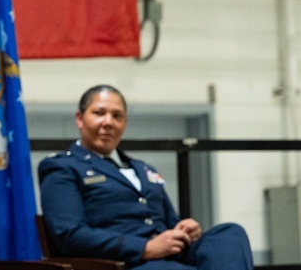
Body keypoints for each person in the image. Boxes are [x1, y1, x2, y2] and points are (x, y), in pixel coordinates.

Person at [38, 85, 253, 270]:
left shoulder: (143, 169)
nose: (108, 122)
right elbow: (70, 235)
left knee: (230, 234)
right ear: (80, 118)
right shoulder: (62, 166)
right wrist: (146, 248)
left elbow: (168, 224)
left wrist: (185, 231)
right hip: (125, 262)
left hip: (169, 255)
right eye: (99, 113)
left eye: (117, 115)